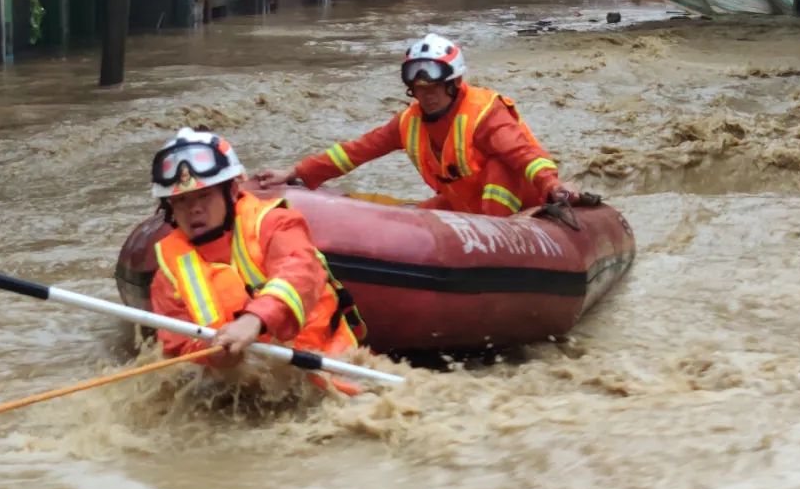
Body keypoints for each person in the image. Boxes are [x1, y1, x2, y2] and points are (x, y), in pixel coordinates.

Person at [256, 33, 577, 216]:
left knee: (499, 167)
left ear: (454, 84)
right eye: (420, 90)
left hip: (514, 206)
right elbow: (356, 151)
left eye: (434, 88)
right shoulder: (408, 123)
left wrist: (551, 184)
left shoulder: (484, 114)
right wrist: (295, 172)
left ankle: (499, 248)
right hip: (465, 205)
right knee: (415, 216)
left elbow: (523, 154)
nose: (427, 96)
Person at [148, 127, 364, 373]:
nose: (194, 209)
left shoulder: (274, 223)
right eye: (181, 201)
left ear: (231, 191)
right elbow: (177, 345)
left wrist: (254, 320)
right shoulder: (168, 273)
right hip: (244, 380)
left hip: (325, 361)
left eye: (204, 196)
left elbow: (300, 272)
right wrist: (211, 356)